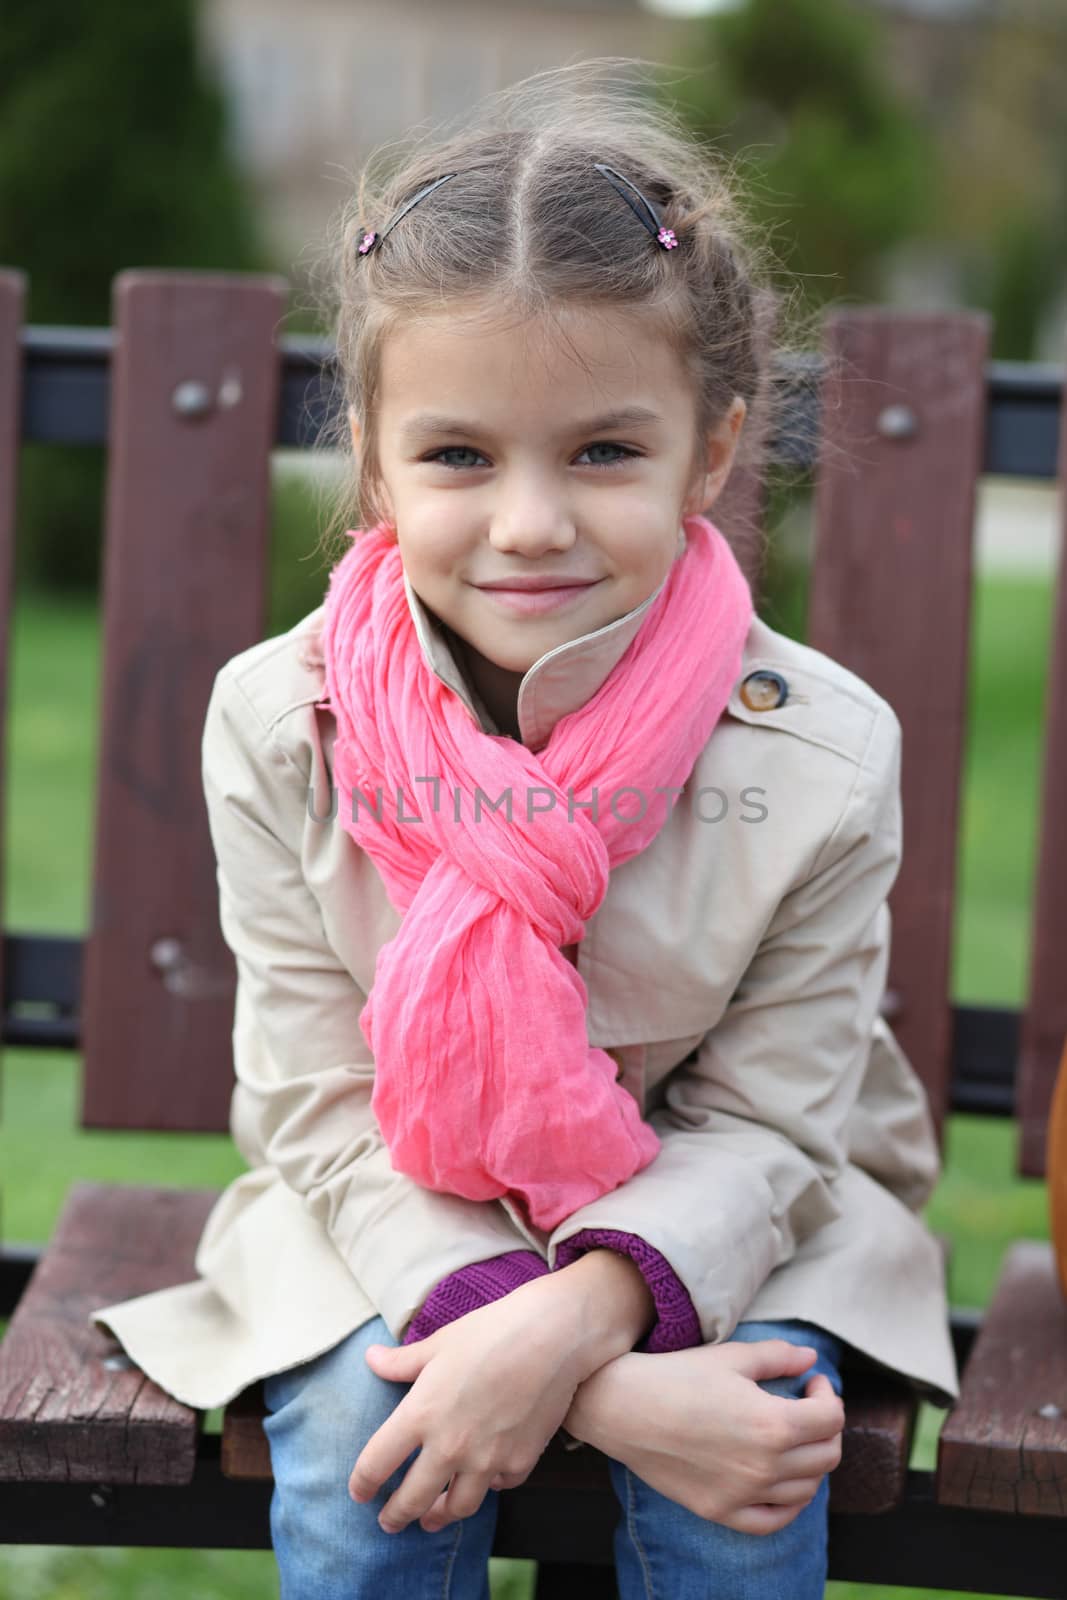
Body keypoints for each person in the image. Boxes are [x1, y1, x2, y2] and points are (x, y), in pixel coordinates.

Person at [88, 58, 959, 1600]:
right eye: (459, 456)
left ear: (711, 449)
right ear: (373, 458)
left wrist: (578, 1323)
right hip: (387, 1215)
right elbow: (319, 1107)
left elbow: (771, 1130)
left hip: (742, 1214)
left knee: (737, 1476)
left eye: (605, 452)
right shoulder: (279, 720)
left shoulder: (821, 752)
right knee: (379, 1450)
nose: (532, 522)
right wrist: (578, 1368)